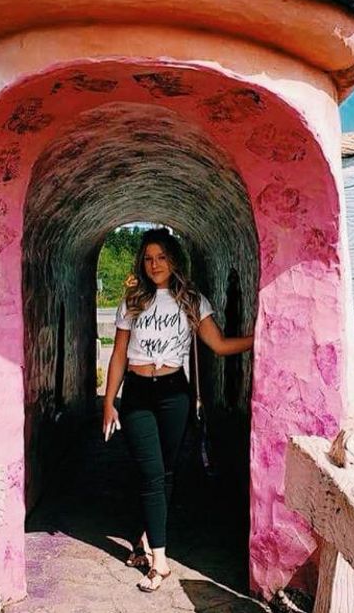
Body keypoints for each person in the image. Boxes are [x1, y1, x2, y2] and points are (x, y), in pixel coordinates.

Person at [101, 228, 254, 593]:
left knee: (165, 472)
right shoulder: (132, 301)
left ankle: (145, 537)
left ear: (173, 260)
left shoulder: (191, 300)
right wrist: (108, 402)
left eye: (161, 257)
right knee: (152, 473)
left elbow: (219, 344)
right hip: (137, 394)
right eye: (148, 259)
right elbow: (119, 354)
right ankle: (160, 562)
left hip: (174, 394)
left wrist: (264, 337)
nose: (154, 265)